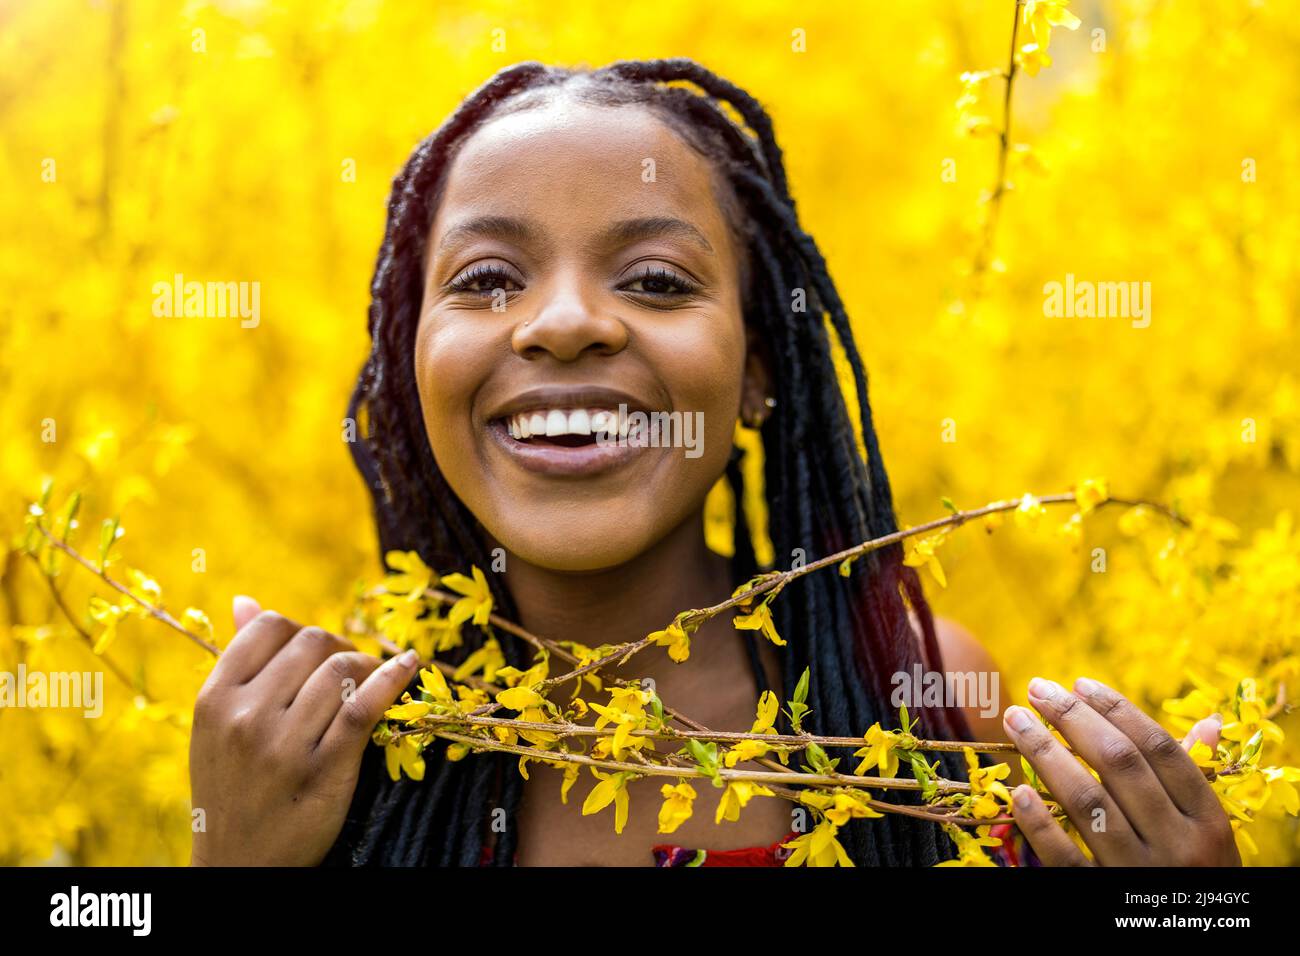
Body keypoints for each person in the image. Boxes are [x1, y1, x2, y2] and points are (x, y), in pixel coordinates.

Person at [188, 59, 1238, 868]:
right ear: (410, 362)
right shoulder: (324, 747)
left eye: (652, 279)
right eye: (489, 278)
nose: (563, 322)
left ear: (756, 374)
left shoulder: (910, 697)